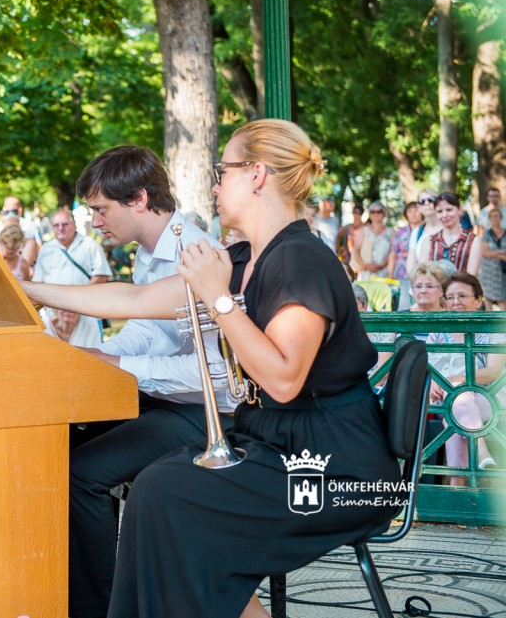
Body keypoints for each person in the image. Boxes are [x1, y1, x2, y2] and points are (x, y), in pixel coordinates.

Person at [22, 119, 402, 618]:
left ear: (257, 175)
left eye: (223, 173)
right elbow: (135, 300)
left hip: (334, 466)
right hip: (275, 441)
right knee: (160, 489)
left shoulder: (301, 261)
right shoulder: (242, 257)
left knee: (167, 496)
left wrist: (219, 299)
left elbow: (283, 380)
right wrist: (28, 291)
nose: (215, 187)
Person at [61, 144, 230, 618]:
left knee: (82, 474)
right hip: (168, 401)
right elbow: (149, 330)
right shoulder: (150, 251)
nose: (95, 221)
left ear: (138, 198)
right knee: (58, 443)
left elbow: (211, 371)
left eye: (100, 209)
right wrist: (101, 356)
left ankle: (96, 609)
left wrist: (117, 364)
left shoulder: (199, 254)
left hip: (209, 413)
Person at [429, 273, 504, 482]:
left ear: (478, 300)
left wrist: (458, 380)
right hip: (449, 401)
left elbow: (492, 371)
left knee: (455, 406)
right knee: (458, 402)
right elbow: (430, 370)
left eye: (462, 296)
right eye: (450, 297)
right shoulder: (438, 332)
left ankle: (457, 485)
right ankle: (482, 455)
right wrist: (434, 382)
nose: (456, 302)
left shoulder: (493, 329)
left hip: (490, 397)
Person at [32, 208, 112, 345]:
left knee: (90, 352)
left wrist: (76, 298)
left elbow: (102, 275)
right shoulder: (46, 249)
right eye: (56, 225)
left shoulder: (89, 244)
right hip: (53, 315)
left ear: (74, 225)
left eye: (65, 224)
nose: (60, 228)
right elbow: (38, 281)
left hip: (85, 312)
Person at [422, 192, 482, 277]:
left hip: (463, 285)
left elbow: (471, 275)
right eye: (440, 211)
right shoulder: (429, 240)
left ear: (459, 210)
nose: (444, 215)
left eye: (449, 210)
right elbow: (423, 272)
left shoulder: (473, 240)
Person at [388, 201, 423, 309]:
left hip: (422, 273)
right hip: (402, 273)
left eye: (416, 210)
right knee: (403, 303)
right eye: (410, 211)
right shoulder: (400, 231)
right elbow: (393, 253)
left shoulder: (426, 230)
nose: (413, 214)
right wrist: (390, 275)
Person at [351, 201, 392, 279]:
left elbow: (392, 252)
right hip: (365, 273)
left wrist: (382, 265)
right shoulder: (363, 230)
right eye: (373, 212)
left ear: (384, 213)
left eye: (379, 211)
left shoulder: (391, 232)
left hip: (384, 273)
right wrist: (364, 265)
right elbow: (355, 250)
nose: (376, 214)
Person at [478, 208, 506, 308]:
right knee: (488, 299)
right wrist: (501, 253)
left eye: (497, 216)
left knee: (502, 298)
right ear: (489, 218)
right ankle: (489, 317)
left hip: (503, 271)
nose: (495, 218)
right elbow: (484, 252)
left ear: (501, 218)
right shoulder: (487, 233)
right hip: (488, 271)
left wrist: (495, 253)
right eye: (493, 216)